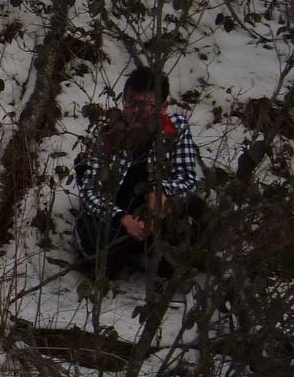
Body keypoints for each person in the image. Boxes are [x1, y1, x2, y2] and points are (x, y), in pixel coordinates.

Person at [73, 67, 207, 280]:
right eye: (131, 104)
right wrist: (122, 219)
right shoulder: (110, 134)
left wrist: (162, 193)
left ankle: (158, 258)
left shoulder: (175, 129)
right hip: (118, 217)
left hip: (156, 218)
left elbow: (188, 179)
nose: (136, 112)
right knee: (97, 248)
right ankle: (123, 258)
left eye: (146, 106)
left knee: (199, 211)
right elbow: (90, 191)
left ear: (163, 106)